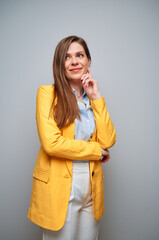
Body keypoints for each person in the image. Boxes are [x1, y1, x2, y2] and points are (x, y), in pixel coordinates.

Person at [28, 36, 116, 240]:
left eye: (79, 55)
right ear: (60, 64)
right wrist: (96, 151)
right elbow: (52, 144)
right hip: (59, 182)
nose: (74, 61)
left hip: (92, 185)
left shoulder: (92, 98)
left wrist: (96, 97)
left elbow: (108, 140)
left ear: (88, 61)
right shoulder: (47, 94)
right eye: (67, 57)